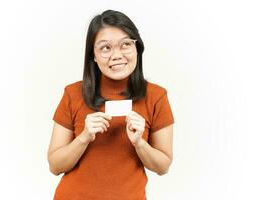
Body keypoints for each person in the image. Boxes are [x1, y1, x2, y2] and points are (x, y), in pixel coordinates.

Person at [47, 9, 175, 200]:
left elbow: (163, 167)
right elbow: (55, 166)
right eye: (105, 48)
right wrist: (84, 137)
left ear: (137, 48)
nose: (116, 55)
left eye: (125, 44)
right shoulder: (72, 94)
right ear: (93, 55)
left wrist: (140, 143)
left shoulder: (156, 96)